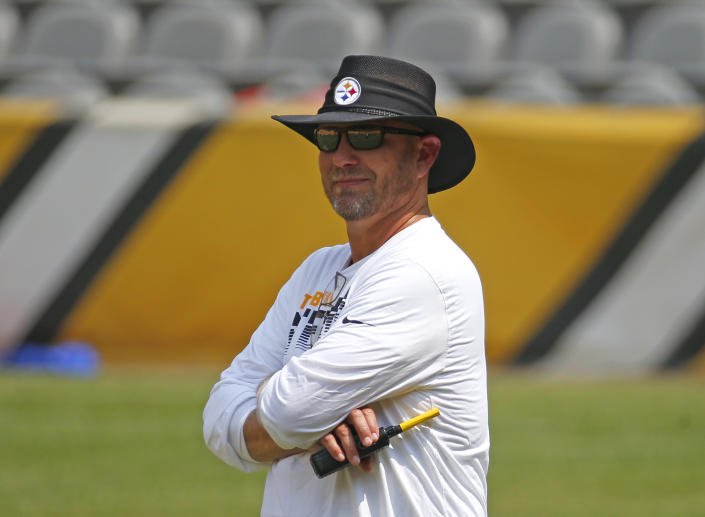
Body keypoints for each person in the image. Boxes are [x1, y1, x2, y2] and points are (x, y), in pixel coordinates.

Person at [203, 55, 489, 517]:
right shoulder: (317, 269)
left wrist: (293, 415)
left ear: (424, 155)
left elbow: (290, 412)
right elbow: (219, 420)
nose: (342, 157)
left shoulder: (424, 273)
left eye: (365, 136)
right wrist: (312, 419)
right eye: (328, 138)